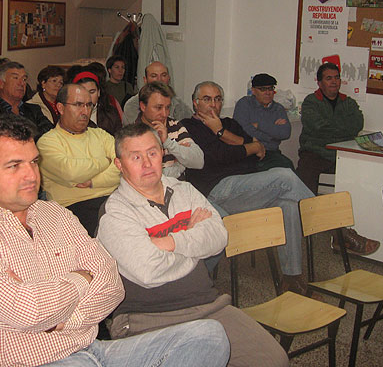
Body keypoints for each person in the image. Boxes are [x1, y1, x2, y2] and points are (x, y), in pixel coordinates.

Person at [0, 113, 230, 367]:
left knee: (210, 337)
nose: (31, 175)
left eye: (33, 162)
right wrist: (80, 278)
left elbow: (111, 286)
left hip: (93, 351)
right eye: (14, 165)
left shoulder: (53, 215)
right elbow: (29, 311)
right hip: (34, 362)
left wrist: (62, 318)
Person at [97, 123, 288, 367]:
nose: (147, 163)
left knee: (274, 359)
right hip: (149, 319)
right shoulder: (114, 213)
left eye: (153, 153)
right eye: (135, 157)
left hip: (209, 305)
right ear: (119, 165)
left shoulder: (184, 190)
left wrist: (170, 242)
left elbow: (218, 237)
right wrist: (193, 238)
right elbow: (149, 271)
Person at [183, 81, 315, 295]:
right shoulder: (189, 127)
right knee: (284, 176)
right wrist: (240, 146)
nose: (213, 105)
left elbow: (258, 151)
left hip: (245, 188)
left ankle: (292, 279)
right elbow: (216, 158)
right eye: (207, 99)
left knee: (288, 205)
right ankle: (333, 230)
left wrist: (224, 134)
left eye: (217, 99)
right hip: (217, 190)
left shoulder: (229, 124)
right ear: (195, 103)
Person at [297, 62, 380, 256]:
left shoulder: (348, 102)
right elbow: (317, 127)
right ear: (319, 82)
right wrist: (341, 130)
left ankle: (346, 229)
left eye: (336, 78)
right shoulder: (310, 102)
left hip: (340, 153)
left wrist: (335, 130)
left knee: (357, 179)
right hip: (315, 152)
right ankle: (309, 225)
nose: (334, 82)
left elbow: (356, 124)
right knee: (303, 181)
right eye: (329, 78)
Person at [37, 84, 120, 235]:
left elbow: (124, 166)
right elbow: (71, 172)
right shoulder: (47, 142)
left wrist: (93, 182)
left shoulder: (100, 135)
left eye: (89, 105)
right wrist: (106, 161)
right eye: (78, 105)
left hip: (115, 199)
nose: (85, 111)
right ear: (60, 108)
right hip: (74, 210)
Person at [135, 81, 203, 179]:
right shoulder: (133, 134)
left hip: (180, 188)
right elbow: (151, 177)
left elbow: (199, 162)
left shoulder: (174, 125)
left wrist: (168, 142)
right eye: (158, 108)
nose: (165, 114)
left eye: (167, 107)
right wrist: (180, 163)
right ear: (143, 106)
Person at [0, 61, 53, 142]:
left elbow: (50, 135)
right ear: (0, 83)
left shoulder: (33, 109)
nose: (21, 83)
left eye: (24, 79)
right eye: (15, 78)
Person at [233, 73, 294, 170]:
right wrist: (273, 135)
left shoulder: (278, 109)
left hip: (271, 152)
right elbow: (241, 131)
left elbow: (285, 133)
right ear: (253, 90)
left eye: (270, 89)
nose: (268, 93)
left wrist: (259, 125)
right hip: (248, 151)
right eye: (262, 89)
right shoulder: (244, 104)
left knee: (287, 166)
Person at [122, 61, 192, 125]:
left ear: (168, 78)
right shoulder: (132, 105)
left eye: (163, 75)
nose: (159, 79)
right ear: (145, 80)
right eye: (154, 76)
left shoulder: (179, 105)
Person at [67, 68, 122, 136]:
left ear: (98, 92)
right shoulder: (69, 115)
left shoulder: (110, 112)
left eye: (92, 92)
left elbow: (119, 138)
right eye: (83, 92)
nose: (88, 97)